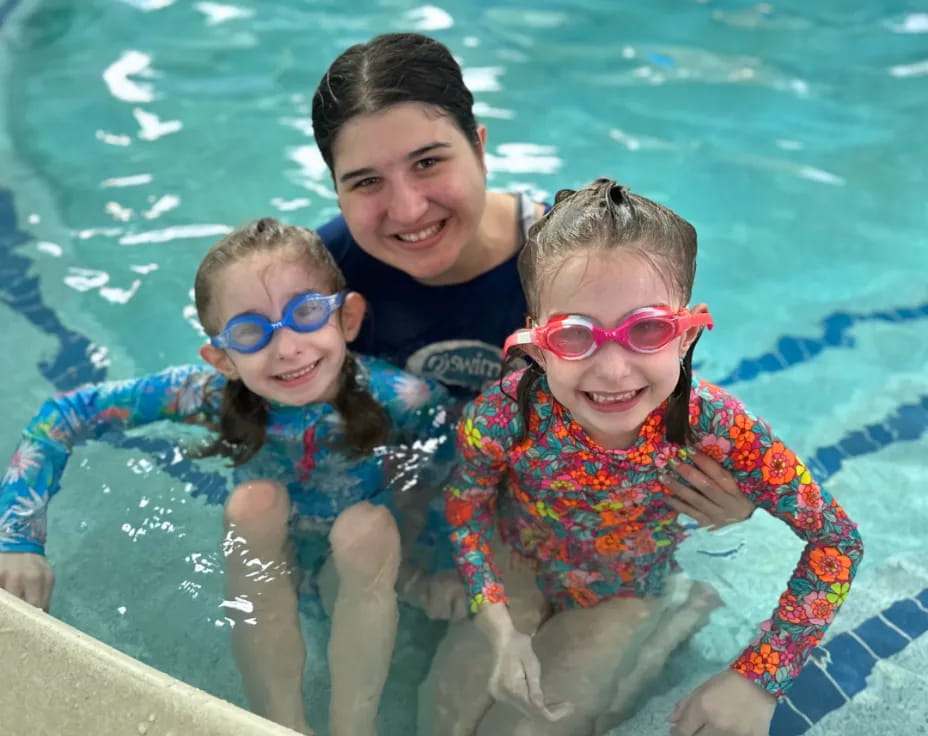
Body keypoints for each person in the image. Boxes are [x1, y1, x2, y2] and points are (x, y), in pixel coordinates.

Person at [423, 179, 864, 736]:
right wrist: (499, 627)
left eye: (648, 330)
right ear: (536, 346)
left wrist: (758, 678)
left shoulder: (718, 427)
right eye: (575, 336)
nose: (613, 370)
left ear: (685, 336)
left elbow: (838, 541)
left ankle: (673, 617)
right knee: (443, 717)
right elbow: (466, 511)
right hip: (521, 566)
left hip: (621, 593)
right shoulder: (504, 416)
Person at [0, 218, 460, 736]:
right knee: (254, 504)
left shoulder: (404, 398)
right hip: (276, 567)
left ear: (347, 318)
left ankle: (355, 727)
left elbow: (452, 474)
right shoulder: (207, 396)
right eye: (249, 331)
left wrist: (436, 563)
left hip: (368, 568)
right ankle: (281, 724)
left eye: (306, 313)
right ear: (223, 358)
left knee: (365, 526)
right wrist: (19, 538)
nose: (287, 348)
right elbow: (62, 416)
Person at [309, 30, 754, 534]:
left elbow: (669, 400)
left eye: (428, 162)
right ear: (335, 188)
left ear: (479, 148)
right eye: (366, 181)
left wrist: (731, 501)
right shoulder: (321, 282)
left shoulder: (579, 268)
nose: (408, 209)